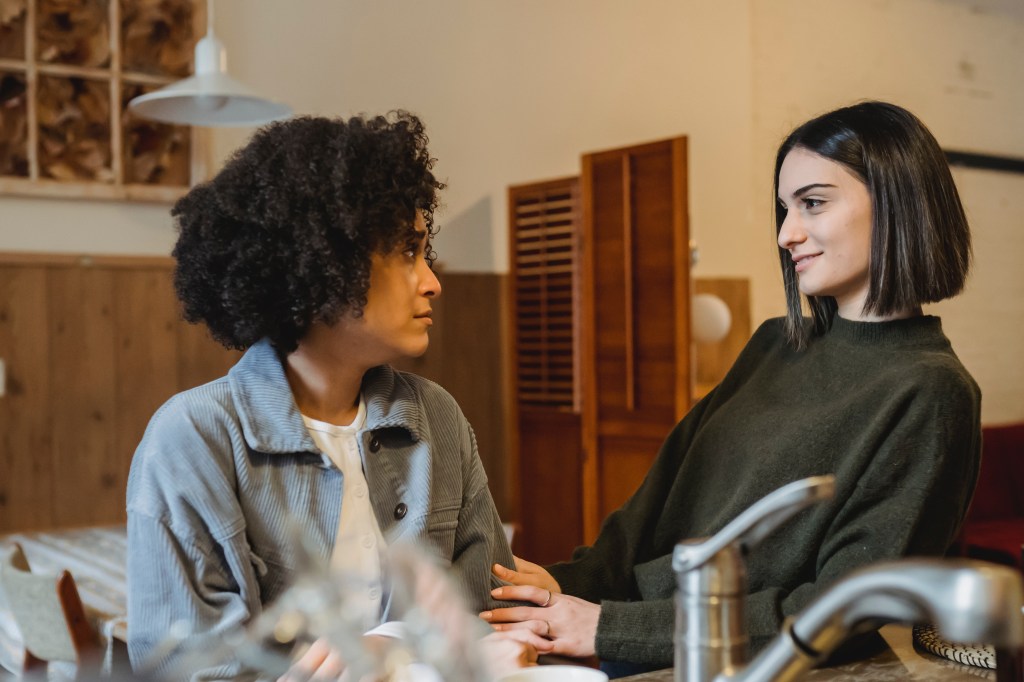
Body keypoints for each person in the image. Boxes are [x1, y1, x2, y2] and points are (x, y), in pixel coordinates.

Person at [481, 100, 982, 673]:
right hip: (632, 634)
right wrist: (565, 585)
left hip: (736, 661)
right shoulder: (776, 343)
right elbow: (661, 498)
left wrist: (609, 627)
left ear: (896, 202)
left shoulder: (932, 392)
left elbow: (842, 609)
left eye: (812, 203)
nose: (787, 234)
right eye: (783, 209)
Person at [126, 112, 544, 679]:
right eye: (407, 252)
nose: (433, 281)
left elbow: (490, 613)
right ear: (325, 263)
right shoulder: (194, 438)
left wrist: (390, 645)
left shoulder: (437, 418)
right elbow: (186, 668)